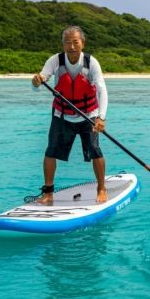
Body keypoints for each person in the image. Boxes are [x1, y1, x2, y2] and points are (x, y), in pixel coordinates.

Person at [31, 25, 109, 204]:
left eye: (75, 42)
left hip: (88, 115)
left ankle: (101, 188)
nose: (71, 46)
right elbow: (41, 79)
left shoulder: (91, 63)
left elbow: (102, 90)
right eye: (67, 42)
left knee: (95, 152)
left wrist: (101, 118)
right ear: (63, 44)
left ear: (83, 43)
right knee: (50, 152)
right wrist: (36, 82)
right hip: (62, 115)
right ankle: (48, 193)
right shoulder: (55, 60)